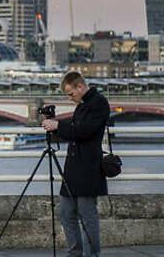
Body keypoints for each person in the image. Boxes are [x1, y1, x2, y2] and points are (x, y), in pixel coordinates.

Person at [41, 71, 109, 257]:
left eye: (71, 94)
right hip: (72, 169)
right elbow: (73, 128)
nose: (70, 98)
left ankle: (91, 255)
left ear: (80, 86)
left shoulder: (98, 103)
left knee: (88, 217)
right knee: (65, 213)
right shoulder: (82, 104)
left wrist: (57, 126)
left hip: (88, 168)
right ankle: (75, 253)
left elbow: (84, 131)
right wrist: (55, 125)